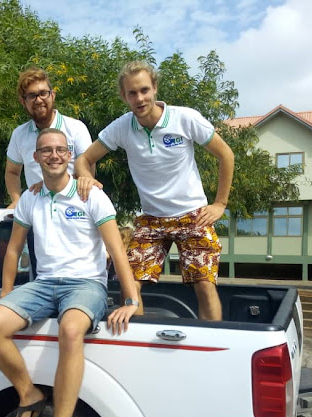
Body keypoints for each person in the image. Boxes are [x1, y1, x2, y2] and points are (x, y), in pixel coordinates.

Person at [0, 128, 139, 417]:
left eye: (60, 150)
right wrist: (6, 295)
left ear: (69, 155)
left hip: (86, 284)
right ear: (35, 158)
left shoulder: (91, 194)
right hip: (43, 284)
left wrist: (131, 299)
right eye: (46, 150)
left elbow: (116, 249)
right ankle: (29, 394)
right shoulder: (30, 198)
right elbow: (14, 250)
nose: (53, 155)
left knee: (70, 329)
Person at [75, 60, 234, 321]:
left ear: (155, 88)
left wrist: (220, 204)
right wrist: (85, 178)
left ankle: (212, 340)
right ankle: (134, 338)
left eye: (144, 90)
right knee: (130, 285)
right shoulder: (122, 127)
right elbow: (84, 159)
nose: (140, 98)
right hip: (151, 219)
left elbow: (226, 154)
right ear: (124, 96)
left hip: (193, 215)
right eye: (132, 93)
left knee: (204, 285)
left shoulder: (185, 118)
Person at [5, 67, 95, 209]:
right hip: (35, 211)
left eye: (43, 93)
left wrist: (49, 186)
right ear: (23, 102)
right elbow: (12, 172)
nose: (38, 100)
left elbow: (87, 171)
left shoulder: (76, 128)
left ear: (53, 95)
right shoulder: (19, 134)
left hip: (73, 209)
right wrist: (17, 200)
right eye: (32, 96)